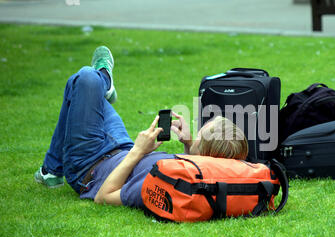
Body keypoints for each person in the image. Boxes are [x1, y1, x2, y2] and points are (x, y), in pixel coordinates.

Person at [34, 46, 248, 209]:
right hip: (121, 147)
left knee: (85, 80)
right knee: (83, 88)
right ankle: (50, 170)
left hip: (89, 164)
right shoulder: (200, 169)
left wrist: (139, 150)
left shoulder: (171, 183)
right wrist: (188, 142)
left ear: (206, 156)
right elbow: (197, 163)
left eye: (199, 136)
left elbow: (104, 197)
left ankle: (104, 80)